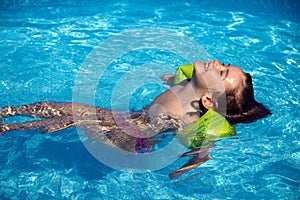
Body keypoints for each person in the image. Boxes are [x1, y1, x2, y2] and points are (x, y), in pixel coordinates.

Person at [0, 60, 271, 178]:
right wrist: (165, 78)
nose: (217, 63)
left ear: (209, 101)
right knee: (54, 107)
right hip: (128, 119)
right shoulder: (187, 81)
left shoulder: (189, 115)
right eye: (225, 65)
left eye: (222, 73)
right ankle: (6, 115)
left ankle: (9, 127)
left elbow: (205, 145)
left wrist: (189, 166)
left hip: (134, 138)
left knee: (72, 120)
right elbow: (171, 79)